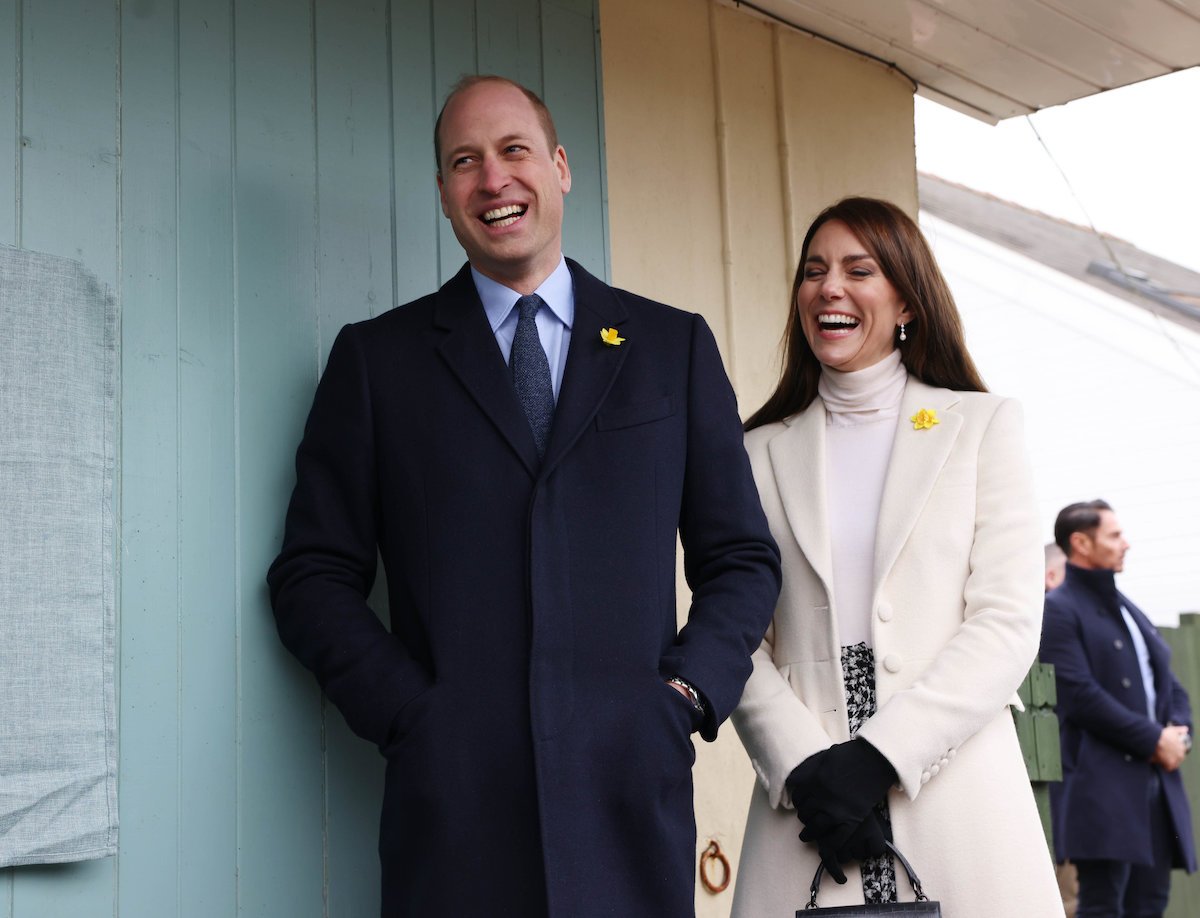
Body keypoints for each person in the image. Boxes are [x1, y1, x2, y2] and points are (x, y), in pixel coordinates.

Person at [266, 75, 781, 917]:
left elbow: (742, 559)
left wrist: (683, 697)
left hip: (628, 802)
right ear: (443, 193)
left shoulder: (669, 347)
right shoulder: (377, 363)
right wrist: (411, 716)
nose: (492, 180)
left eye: (513, 151)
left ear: (561, 166)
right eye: (464, 162)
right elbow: (311, 575)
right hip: (456, 817)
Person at [731, 196, 1063, 915]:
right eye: (814, 272)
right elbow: (733, 636)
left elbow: (1006, 623)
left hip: (959, 801)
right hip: (806, 809)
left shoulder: (981, 427)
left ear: (907, 298)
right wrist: (804, 765)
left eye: (860, 270)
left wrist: (878, 757)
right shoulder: (752, 452)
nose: (830, 288)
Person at [1040, 500, 1196, 918]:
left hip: (1155, 786)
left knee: (1150, 905)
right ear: (1081, 542)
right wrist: (1153, 739)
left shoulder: (1130, 610)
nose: (1126, 544)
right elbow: (1079, 695)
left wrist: (1180, 732)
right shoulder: (1058, 609)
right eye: (1114, 535)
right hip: (1101, 789)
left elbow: (1170, 684)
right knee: (1103, 907)